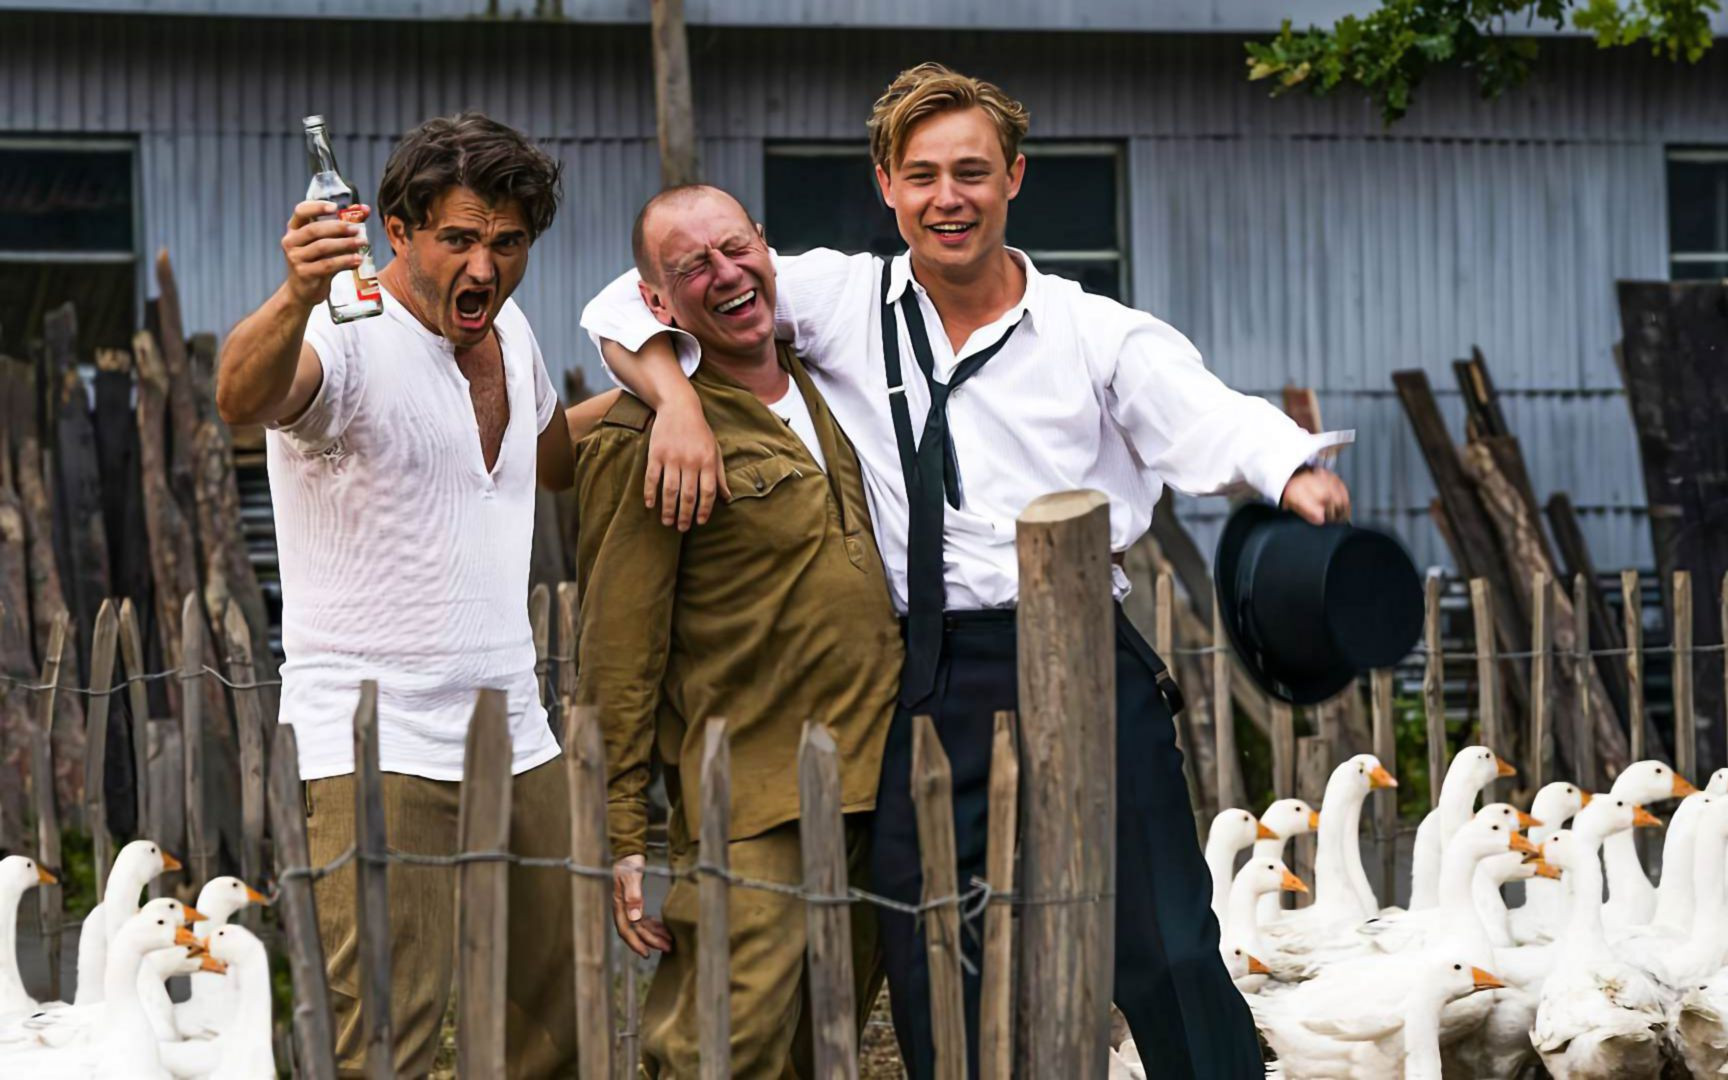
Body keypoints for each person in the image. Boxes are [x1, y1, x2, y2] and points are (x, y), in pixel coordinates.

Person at [583, 64, 1351, 1079]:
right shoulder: (843, 299)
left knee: (1163, 945)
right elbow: (630, 296)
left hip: (1082, 655)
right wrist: (675, 397)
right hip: (931, 675)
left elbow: (1202, 411)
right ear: (887, 186)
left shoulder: (1091, 328)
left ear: (1014, 179)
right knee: (940, 957)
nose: (949, 198)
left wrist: (1291, 469)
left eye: (973, 173)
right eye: (923, 175)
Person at [216, 111, 600, 1078]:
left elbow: (554, 461)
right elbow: (242, 397)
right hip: (374, 745)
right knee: (385, 1038)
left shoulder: (511, 332)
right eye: (459, 238)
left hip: (517, 736)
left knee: (555, 1029)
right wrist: (295, 294)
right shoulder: (345, 332)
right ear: (398, 230)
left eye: (508, 243)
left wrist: (670, 389)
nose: (485, 267)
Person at [573, 184, 897, 1078]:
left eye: (735, 247)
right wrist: (618, 832)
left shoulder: (839, 385)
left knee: (823, 1046)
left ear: (765, 244)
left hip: (880, 786)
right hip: (752, 801)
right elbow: (617, 652)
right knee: (720, 1050)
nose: (725, 274)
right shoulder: (650, 432)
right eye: (692, 267)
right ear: (656, 301)